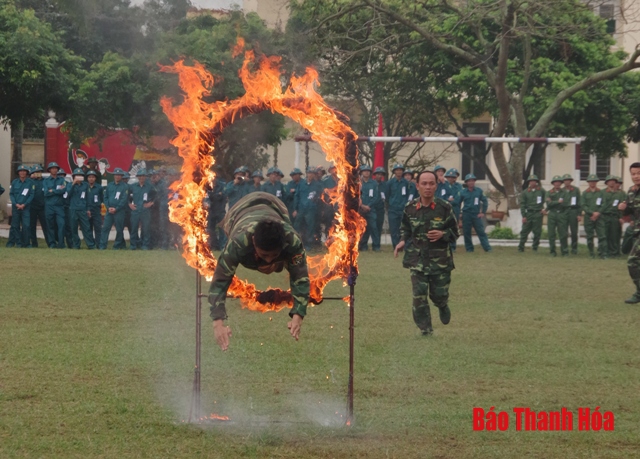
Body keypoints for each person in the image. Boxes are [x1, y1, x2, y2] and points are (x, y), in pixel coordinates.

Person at [208, 192, 310, 350]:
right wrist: (217, 323)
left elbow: (300, 277)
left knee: (280, 263)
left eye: (274, 255)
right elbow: (220, 281)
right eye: (264, 255)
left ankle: (271, 255)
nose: (268, 260)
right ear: (254, 242)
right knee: (252, 259)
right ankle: (266, 255)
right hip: (238, 212)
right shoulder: (238, 243)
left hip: (275, 206)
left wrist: (298, 314)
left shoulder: (292, 241)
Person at [394, 170, 458, 336]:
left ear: (436, 186)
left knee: (438, 295)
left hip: (440, 261)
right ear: (417, 186)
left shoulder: (444, 208)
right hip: (418, 260)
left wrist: (443, 234)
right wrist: (402, 241)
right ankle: (426, 329)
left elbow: (455, 232)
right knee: (419, 296)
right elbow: (405, 229)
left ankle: (442, 305)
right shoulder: (410, 208)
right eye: (424, 184)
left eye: (431, 183)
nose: (427, 187)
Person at [618, 163, 640, 303]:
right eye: (633, 174)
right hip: (637, 231)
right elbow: (630, 212)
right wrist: (623, 208)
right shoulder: (631, 191)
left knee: (632, 260)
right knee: (633, 262)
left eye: (638, 173)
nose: (636, 176)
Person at [293, 166, 324, 248]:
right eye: (309, 173)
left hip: (311, 210)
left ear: (314, 175)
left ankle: (308, 245)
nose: (310, 175)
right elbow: (297, 196)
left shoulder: (317, 185)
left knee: (310, 228)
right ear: (307, 174)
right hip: (301, 209)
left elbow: (321, 198)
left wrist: (319, 208)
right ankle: (296, 244)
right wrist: (295, 209)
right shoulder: (301, 184)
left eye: (312, 173)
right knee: (297, 226)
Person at [460, 174, 491, 253]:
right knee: (467, 232)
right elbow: (458, 202)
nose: (471, 182)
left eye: (473, 180)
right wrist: (460, 213)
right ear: (466, 182)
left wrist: (483, 212)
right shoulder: (463, 192)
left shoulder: (479, 191)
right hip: (466, 214)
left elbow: (485, 201)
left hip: (476, 214)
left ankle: (487, 248)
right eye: (469, 181)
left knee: (481, 231)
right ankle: (469, 249)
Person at [99, 168, 129, 250]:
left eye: (119, 175)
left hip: (119, 211)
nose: (117, 176)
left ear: (121, 176)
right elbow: (105, 197)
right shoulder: (110, 185)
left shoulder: (125, 186)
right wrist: (108, 207)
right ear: (114, 176)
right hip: (109, 211)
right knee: (105, 228)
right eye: (116, 175)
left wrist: (116, 208)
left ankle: (117, 245)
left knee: (119, 229)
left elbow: (124, 199)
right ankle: (102, 246)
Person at [7, 165, 35, 248]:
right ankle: (18, 243)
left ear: (26, 173)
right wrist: (16, 204)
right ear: (18, 173)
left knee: (26, 226)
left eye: (24, 171)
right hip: (16, 207)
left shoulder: (30, 183)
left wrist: (24, 204)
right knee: (15, 226)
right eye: (21, 171)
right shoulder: (14, 182)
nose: (22, 172)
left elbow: (31, 195)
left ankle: (26, 243)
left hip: (25, 208)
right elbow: (11, 194)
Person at [68, 168, 96, 249]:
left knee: (86, 228)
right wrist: (73, 183)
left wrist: (88, 209)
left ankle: (91, 245)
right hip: (73, 209)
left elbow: (88, 198)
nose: (79, 177)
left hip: (83, 210)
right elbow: (68, 195)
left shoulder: (85, 185)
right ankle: (76, 245)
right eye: (77, 175)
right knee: (73, 228)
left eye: (80, 175)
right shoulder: (70, 184)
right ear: (74, 176)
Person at [128, 169, 155, 250]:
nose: (141, 178)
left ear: (145, 177)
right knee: (134, 229)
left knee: (146, 229)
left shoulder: (150, 186)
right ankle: (133, 245)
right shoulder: (132, 186)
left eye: (143, 176)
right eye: (140, 176)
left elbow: (156, 196)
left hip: (145, 211)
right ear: (137, 177)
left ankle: (145, 245)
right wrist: (129, 204)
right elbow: (127, 197)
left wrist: (152, 203)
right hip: (135, 211)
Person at [518, 174, 546, 252]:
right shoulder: (525, 192)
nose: (532, 183)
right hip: (529, 213)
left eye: (534, 181)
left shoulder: (541, 191)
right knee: (524, 231)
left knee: (537, 232)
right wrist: (524, 215)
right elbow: (523, 204)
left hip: (538, 213)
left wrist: (545, 209)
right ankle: (521, 247)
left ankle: (535, 247)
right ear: (529, 183)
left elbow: (547, 199)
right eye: (531, 181)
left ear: (536, 182)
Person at [581, 174, 606, 259]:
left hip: (599, 217)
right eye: (591, 181)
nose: (592, 183)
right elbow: (583, 205)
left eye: (594, 181)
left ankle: (602, 253)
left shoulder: (601, 192)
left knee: (602, 236)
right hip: (589, 217)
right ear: (588, 182)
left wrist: (598, 213)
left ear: (596, 182)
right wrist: (592, 213)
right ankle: (591, 253)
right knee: (589, 236)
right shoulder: (585, 193)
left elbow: (604, 204)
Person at [43, 162, 67, 249]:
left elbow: (63, 191)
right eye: (52, 168)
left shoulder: (62, 180)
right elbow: (45, 193)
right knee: (50, 225)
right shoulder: (45, 181)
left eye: (55, 168)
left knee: (61, 224)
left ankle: (61, 243)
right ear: (49, 170)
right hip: (49, 206)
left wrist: (52, 191)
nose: (54, 169)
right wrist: (56, 191)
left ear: (57, 169)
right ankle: (52, 243)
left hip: (59, 206)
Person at [387, 163, 411, 248]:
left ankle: (404, 246)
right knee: (394, 229)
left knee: (404, 229)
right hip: (393, 209)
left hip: (403, 209)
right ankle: (395, 246)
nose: (399, 172)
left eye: (400, 170)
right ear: (394, 172)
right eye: (397, 170)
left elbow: (408, 195)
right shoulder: (390, 183)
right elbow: (387, 195)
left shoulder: (406, 183)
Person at [358, 165, 380, 251]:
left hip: (371, 209)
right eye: (364, 171)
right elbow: (356, 196)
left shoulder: (374, 183)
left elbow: (376, 197)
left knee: (373, 227)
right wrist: (362, 205)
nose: (366, 172)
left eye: (368, 171)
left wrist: (368, 206)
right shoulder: (358, 183)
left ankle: (376, 246)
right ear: (362, 172)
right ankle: (363, 246)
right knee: (361, 229)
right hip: (360, 209)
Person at [545, 175, 568, 257]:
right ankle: (552, 252)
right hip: (552, 214)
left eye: (559, 182)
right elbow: (548, 203)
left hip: (562, 214)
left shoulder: (565, 192)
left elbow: (566, 203)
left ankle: (564, 251)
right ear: (553, 183)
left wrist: (553, 202)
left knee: (563, 234)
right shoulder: (549, 192)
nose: (557, 184)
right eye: (555, 182)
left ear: (561, 183)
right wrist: (558, 202)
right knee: (551, 234)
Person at [602, 175, 624, 258]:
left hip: (615, 216)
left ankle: (614, 253)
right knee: (605, 235)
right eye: (610, 181)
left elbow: (622, 207)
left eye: (613, 181)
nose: (612, 182)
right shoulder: (602, 192)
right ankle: (605, 252)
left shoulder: (619, 194)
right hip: (605, 216)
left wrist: (621, 217)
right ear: (606, 182)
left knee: (614, 235)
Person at [28, 164, 50, 248]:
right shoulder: (30, 181)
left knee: (46, 226)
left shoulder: (45, 181)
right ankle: (34, 243)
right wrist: (30, 177)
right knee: (32, 226)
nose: (37, 173)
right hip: (32, 207)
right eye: (35, 172)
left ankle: (49, 243)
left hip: (43, 207)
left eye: (39, 172)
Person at [205, 173, 227, 251]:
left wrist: (213, 196)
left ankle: (223, 246)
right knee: (210, 229)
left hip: (220, 210)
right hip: (211, 211)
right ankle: (213, 245)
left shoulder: (222, 185)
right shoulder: (207, 185)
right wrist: (215, 196)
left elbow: (223, 195)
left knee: (222, 229)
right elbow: (206, 197)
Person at [562, 174, 581, 254]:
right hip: (564, 212)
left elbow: (579, 202)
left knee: (574, 232)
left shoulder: (576, 190)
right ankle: (565, 248)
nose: (567, 182)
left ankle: (574, 249)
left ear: (570, 181)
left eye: (568, 180)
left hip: (573, 211)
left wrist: (579, 214)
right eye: (565, 180)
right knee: (564, 232)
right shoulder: (561, 190)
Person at [444, 168, 462, 251]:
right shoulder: (443, 185)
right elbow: (442, 198)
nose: (450, 179)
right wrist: (448, 200)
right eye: (449, 177)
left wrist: (450, 200)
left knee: (454, 227)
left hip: (455, 209)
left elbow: (458, 199)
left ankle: (453, 246)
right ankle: (445, 245)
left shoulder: (459, 186)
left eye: (452, 177)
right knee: (444, 227)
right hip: (445, 209)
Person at [86, 170, 103, 245]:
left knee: (98, 228)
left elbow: (102, 198)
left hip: (96, 210)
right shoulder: (85, 187)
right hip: (87, 210)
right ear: (87, 178)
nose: (91, 179)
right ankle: (91, 243)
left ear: (95, 178)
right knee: (88, 228)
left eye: (93, 177)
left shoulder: (99, 187)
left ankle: (98, 243)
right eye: (89, 177)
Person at [373, 167, 388, 247]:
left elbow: (387, 195)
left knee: (379, 226)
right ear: (375, 175)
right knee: (372, 227)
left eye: (381, 174)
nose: (379, 176)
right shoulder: (372, 183)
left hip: (380, 208)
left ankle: (377, 244)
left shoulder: (385, 185)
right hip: (372, 208)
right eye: (378, 174)